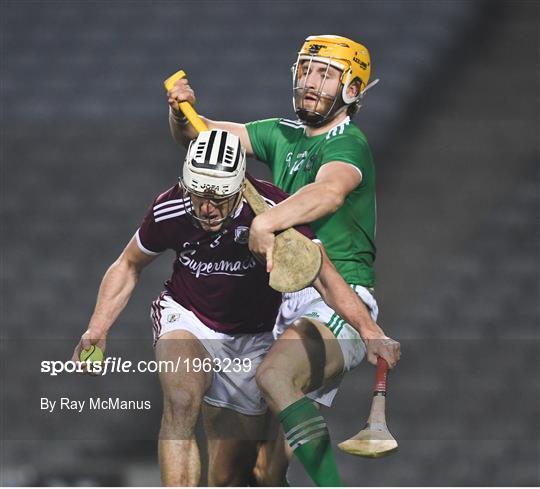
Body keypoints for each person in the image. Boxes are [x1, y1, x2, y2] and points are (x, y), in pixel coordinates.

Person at [72, 128, 399, 486]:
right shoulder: (170, 207)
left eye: (219, 198)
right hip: (188, 316)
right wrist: (97, 328)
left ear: (240, 186)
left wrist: (370, 332)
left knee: (230, 476)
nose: (207, 208)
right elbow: (129, 263)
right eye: (198, 196)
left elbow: (324, 276)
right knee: (181, 399)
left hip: (251, 339)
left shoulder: (275, 211)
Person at [167, 34, 399, 487]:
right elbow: (202, 135)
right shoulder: (281, 133)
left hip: (337, 300)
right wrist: (179, 113)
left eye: (327, 75)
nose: (312, 83)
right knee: (254, 473)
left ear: (352, 90)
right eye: (308, 71)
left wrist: (267, 220)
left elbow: (328, 191)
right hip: (283, 306)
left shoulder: (348, 145)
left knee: (274, 375)